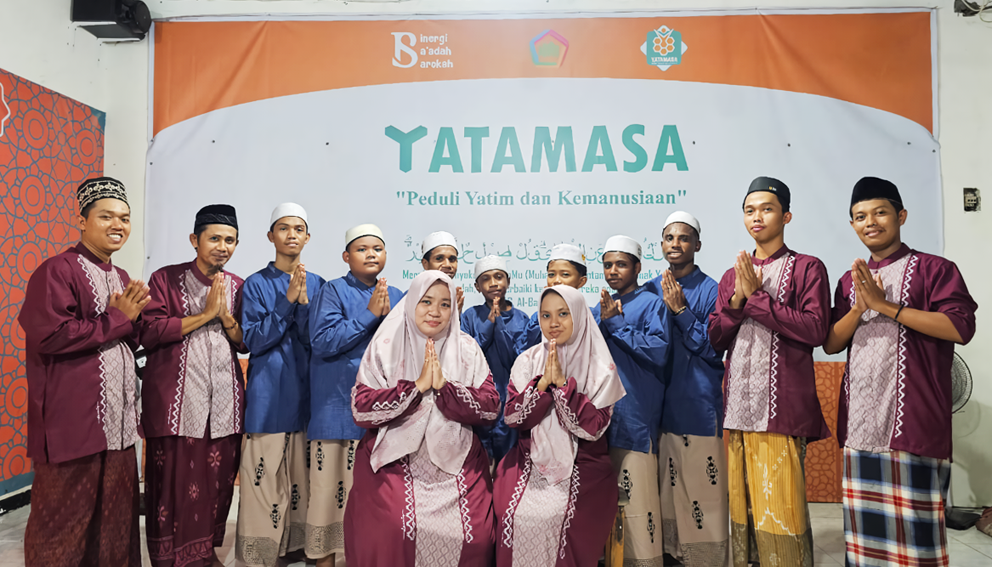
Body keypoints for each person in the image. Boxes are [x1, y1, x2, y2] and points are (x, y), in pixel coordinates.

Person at [823, 177, 978, 567]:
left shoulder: (935, 269)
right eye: (860, 216)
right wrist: (860, 308)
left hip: (913, 425)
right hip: (861, 425)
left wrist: (885, 306)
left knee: (916, 540)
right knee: (864, 543)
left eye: (880, 212)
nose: (870, 222)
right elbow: (831, 343)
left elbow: (961, 327)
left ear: (901, 216)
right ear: (853, 225)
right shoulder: (849, 280)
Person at [20, 177, 148, 567]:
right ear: (82, 221)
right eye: (106, 216)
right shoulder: (56, 270)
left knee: (115, 523)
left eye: (124, 218)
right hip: (74, 428)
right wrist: (118, 319)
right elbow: (51, 335)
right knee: (63, 524)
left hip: (118, 428)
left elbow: (125, 338)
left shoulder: (120, 276)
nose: (118, 225)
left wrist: (137, 324)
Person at [708, 177, 831, 567]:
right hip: (740, 409)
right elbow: (716, 338)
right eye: (749, 210)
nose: (756, 217)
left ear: (786, 216)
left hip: (781, 408)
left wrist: (757, 299)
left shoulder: (808, 267)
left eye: (766, 209)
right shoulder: (732, 276)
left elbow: (815, 329)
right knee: (744, 504)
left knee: (781, 504)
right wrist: (737, 298)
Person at [344, 271, 499, 566]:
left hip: (457, 458)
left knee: (475, 537)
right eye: (426, 301)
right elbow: (361, 409)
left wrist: (445, 388)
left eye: (445, 304)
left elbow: (490, 408)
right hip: (395, 460)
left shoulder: (466, 348)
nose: (435, 312)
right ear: (412, 302)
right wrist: (415, 387)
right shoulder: (386, 344)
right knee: (394, 528)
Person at [141, 204, 246, 567]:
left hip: (224, 400)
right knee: (174, 481)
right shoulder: (165, 279)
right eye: (214, 238)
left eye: (230, 240)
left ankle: (204, 552)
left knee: (218, 478)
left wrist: (226, 318)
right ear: (194, 240)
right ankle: (171, 557)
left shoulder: (237, 285)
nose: (222, 246)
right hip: (178, 402)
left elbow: (244, 342)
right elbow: (150, 332)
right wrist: (205, 315)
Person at [495, 285, 626, 567]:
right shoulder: (528, 360)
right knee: (511, 515)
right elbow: (513, 418)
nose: (553, 323)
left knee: (557, 516)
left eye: (563, 314)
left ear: (579, 315)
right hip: (527, 460)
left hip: (584, 464)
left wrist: (564, 386)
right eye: (546, 315)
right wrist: (543, 384)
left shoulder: (600, 366)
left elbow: (593, 429)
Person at [308, 223, 404, 566]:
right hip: (336, 408)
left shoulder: (398, 295)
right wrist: (369, 316)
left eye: (377, 248)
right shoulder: (332, 291)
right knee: (328, 491)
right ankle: (323, 559)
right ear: (346, 257)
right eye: (362, 249)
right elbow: (322, 341)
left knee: (371, 496)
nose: (371, 254)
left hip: (381, 412)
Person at [236, 203, 326, 567]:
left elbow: (317, 340)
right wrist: (287, 302)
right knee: (264, 479)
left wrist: (302, 306)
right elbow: (254, 340)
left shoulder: (318, 284)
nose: (291, 235)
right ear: (271, 236)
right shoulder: (256, 284)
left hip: (306, 396)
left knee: (302, 481)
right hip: (269, 395)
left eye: (298, 229)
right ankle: (260, 554)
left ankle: (295, 548)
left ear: (308, 237)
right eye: (284, 228)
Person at [647, 212, 731, 566]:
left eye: (683, 238)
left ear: (697, 244)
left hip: (697, 404)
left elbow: (713, 349)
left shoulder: (713, 290)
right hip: (658, 410)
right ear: (661, 244)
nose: (676, 244)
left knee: (702, 493)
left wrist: (681, 310)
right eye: (669, 238)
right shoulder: (649, 289)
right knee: (665, 497)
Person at [591, 235, 670, 566]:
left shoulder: (652, 304)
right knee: (604, 503)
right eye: (608, 265)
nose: (613, 271)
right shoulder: (599, 308)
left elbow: (659, 352)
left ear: (637, 268)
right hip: (602, 420)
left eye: (621, 264)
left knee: (639, 502)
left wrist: (617, 324)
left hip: (636, 415)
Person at [461, 255, 530, 464]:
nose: (493, 283)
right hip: (478, 398)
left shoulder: (522, 319)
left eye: (499, 277)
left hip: (510, 398)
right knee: (478, 460)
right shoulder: (470, 316)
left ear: (508, 281)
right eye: (486, 279)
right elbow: (467, 358)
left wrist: (499, 323)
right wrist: (488, 323)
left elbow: (517, 360)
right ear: (477, 286)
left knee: (508, 462)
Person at [516, 243, 589, 353]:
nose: (556, 280)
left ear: (581, 281)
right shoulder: (538, 317)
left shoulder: (590, 316)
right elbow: (522, 351)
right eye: (551, 275)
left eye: (565, 274)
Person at [421, 230, 464, 313]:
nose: (447, 265)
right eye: (439, 259)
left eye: (452, 259)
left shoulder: (454, 298)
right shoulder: (413, 296)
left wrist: (455, 316)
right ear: (425, 264)